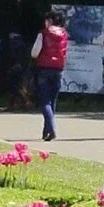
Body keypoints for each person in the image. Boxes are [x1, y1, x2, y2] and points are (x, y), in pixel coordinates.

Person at [29, 13, 69, 141]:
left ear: (50, 21)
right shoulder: (64, 34)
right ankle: (46, 131)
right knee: (53, 100)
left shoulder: (43, 33)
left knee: (45, 101)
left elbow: (34, 52)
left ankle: (51, 129)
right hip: (58, 69)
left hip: (44, 69)